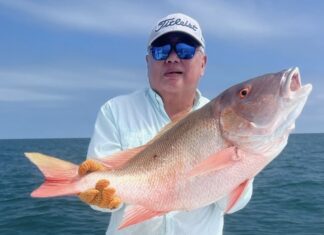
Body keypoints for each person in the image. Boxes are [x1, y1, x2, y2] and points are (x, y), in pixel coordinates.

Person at [78, 13, 254, 235]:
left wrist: (241, 161)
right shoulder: (115, 111)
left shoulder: (226, 119)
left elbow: (233, 205)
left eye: (185, 49)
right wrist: (98, 195)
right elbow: (98, 201)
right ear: (148, 62)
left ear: (203, 63)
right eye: (161, 50)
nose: (172, 58)